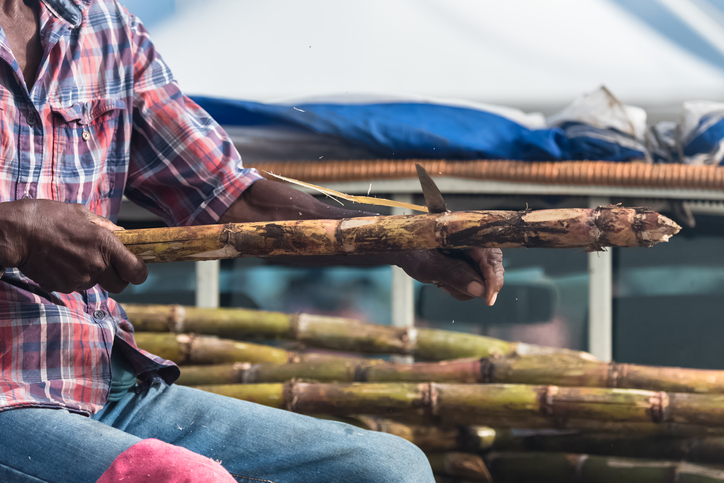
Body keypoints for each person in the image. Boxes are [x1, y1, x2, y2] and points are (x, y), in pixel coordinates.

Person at [0, 0, 504, 482]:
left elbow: (229, 196)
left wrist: (405, 239)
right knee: (186, 479)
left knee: (387, 470)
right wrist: (15, 230)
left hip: (101, 385)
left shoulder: (104, 29)